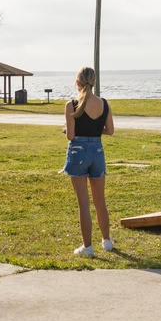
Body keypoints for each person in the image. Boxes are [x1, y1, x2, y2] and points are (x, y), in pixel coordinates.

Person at [63, 67, 114, 258]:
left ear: (77, 83)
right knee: (100, 201)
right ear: (94, 82)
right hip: (97, 152)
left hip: (78, 152)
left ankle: (87, 246)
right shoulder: (104, 104)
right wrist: (94, 131)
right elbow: (110, 130)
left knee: (83, 203)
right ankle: (107, 241)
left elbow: (70, 136)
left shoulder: (72, 105)